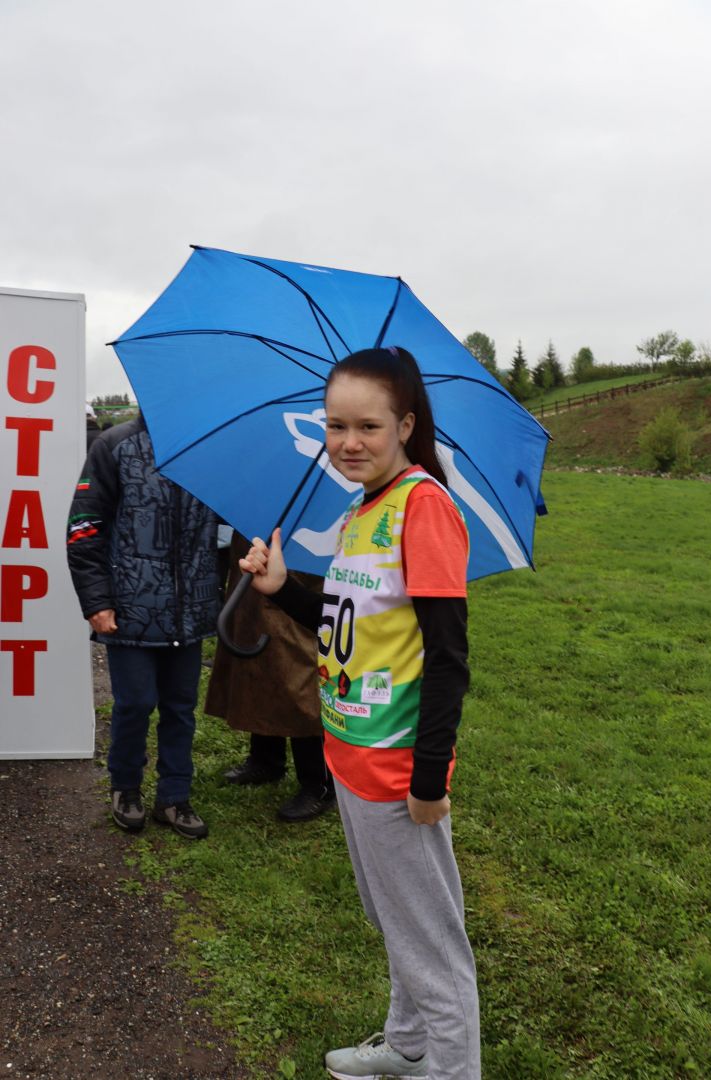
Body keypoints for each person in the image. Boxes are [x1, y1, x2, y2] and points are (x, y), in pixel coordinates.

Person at [240, 347, 481, 1079]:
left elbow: (447, 655)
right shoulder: (361, 510)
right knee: (395, 923)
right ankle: (408, 1045)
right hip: (349, 749)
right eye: (335, 424)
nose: (348, 442)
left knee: (431, 946)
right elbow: (347, 619)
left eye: (368, 426)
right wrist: (283, 588)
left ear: (405, 425)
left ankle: (449, 1068)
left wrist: (430, 776)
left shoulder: (423, 506)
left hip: (395, 765)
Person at [66, 413, 220, 840]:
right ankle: (125, 787)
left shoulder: (206, 451)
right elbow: (83, 529)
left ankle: (174, 796)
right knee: (134, 704)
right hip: (131, 611)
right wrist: (97, 601)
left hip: (188, 613)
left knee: (180, 708)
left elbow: (223, 524)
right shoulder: (113, 445)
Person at [206, 532, 335, 822]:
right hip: (257, 544)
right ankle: (266, 759)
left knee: (298, 666)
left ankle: (319, 783)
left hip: (303, 551)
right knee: (259, 655)